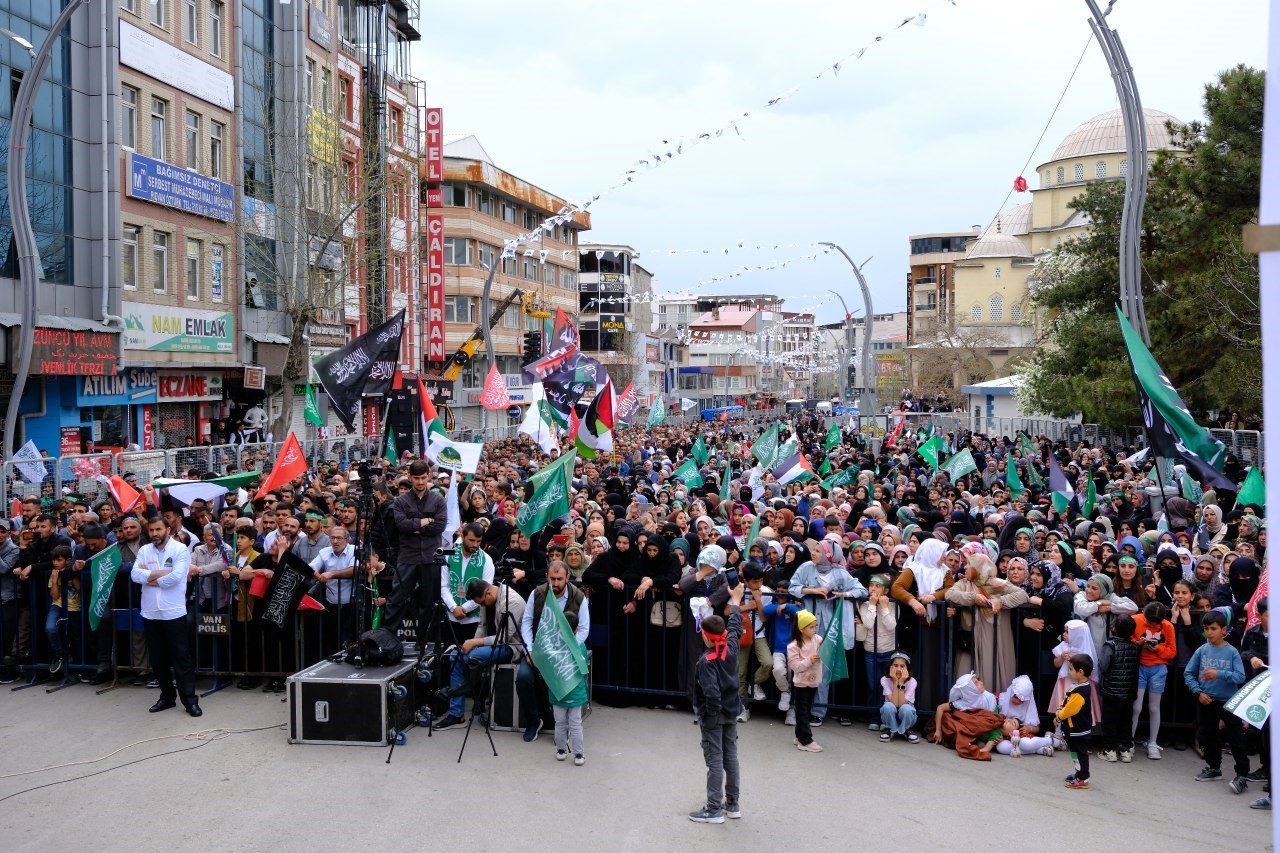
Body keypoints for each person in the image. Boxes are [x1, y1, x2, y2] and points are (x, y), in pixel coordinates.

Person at [435, 577, 527, 731]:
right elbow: (482, 626)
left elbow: (504, 638)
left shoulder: (512, 601)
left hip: (511, 647)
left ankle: (467, 689)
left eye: (482, 603)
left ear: (489, 593)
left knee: (473, 657)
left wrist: (475, 643)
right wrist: (471, 642)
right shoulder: (486, 598)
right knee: (456, 656)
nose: (481, 606)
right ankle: (457, 715)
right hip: (493, 644)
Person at [130, 516, 200, 717]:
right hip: (150, 612)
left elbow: (176, 578)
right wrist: (160, 573)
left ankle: (190, 701)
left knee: (181, 658)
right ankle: (167, 697)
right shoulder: (144, 550)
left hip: (174, 612)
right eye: (151, 530)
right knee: (158, 659)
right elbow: (135, 575)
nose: (154, 534)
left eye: (158, 529)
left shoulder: (179, 549)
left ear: (167, 529)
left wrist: (150, 576)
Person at [689, 579, 745, 824]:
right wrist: (735, 601)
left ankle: (713, 809)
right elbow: (734, 624)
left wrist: (709, 717)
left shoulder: (707, 661)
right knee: (730, 757)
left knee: (714, 760)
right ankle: (732, 804)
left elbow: (711, 694)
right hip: (732, 710)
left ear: (707, 637)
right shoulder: (731, 646)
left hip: (715, 714)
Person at [519, 561, 589, 743]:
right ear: (547, 577)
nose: (556, 583)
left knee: (564, 682)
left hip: (565, 653)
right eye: (552, 579)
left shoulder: (579, 597)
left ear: (567, 578)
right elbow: (526, 622)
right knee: (524, 678)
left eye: (559, 579)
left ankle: (563, 727)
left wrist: (566, 650)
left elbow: (583, 629)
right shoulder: (537, 593)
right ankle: (534, 721)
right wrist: (529, 649)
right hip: (538, 651)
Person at [1185, 609, 1251, 794]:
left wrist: (1219, 673)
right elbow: (1188, 673)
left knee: (1236, 737)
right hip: (1207, 700)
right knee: (1208, 735)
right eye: (1206, 628)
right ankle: (1214, 767)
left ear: (1224, 629)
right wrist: (1198, 692)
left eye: (1213, 628)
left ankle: (1242, 775)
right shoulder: (1202, 650)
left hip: (1229, 701)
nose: (1209, 632)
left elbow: (1240, 676)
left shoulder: (1232, 652)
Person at [384, 460, 447, 632]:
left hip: (430, 557)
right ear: (410, 477)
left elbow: (439, 526)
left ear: (429, 477)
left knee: (428, 601)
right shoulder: (401, 501)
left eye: (423, 478)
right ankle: (388, 636)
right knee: (397, 598)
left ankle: (425, 639)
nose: (420, 482)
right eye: (416, 478)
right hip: (407, 557)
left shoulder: (438, 500)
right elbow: (401, 526)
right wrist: (425, 521)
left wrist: (414, 527)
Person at [1131, 601, 1177, 760]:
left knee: (1154, 707)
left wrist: (1158, 649)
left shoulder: (1168, 626)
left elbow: (1172, 652)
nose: (1152, 625)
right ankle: (1129, 742)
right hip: (1139, 666)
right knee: (1136, 706)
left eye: (1156, 623)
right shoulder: (1136, 620)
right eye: (1149, 621)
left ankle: (1152, 743)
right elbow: (1128, 640)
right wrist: (1138, 644)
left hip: (1158, 668)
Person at [1097, 614, 1140, 763]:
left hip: (1111, 691)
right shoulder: (1135, 647)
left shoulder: (1110, 645)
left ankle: (1110, 750)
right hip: (1128, 692)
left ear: (1114, 628)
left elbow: (1103, 666)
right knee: (1126, 722)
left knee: (1109, 722)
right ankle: (1126, 750)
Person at [1240, 600, 1270, 810]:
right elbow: (1243, 652)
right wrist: (1252, 657)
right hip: (1261, 690)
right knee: (1266, 736)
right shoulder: (1253, 633)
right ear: (1259, 615)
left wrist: (1264, 658)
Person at [551, 610, 589, 766]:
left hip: (559, 692)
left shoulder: (554, 647)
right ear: (576, 629)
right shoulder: (580, 647)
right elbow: (583, 667)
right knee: (576, 723)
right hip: (576, 692)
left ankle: (561, 750)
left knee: (559, 723)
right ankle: (579, 754)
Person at [787, 609, 824, 753]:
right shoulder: (793, 646)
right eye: (811, 627)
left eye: (815, 626)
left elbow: (827, 646)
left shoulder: (818, 640)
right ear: (802, 629)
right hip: (801, 683)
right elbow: (796, 667)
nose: (814, 629)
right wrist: (810, 660)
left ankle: (799, 734)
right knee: (802, 710)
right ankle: (806, 740)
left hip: (814, 682)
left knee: (807, 709)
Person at [1056, 653, 1094, 789]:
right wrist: (1060, 709)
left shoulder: (1081, 690)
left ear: (1081, 672)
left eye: (1071, 669)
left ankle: (1083, 777)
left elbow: (1071, 709)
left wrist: (1059, 717)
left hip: (1078, 729)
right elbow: (1066, 701)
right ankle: (1079, 772)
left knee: (1080, 752)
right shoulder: (1076, 685)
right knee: (1074, 751)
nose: (1068, 671)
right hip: (1072, 729)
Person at [879, 651, 918, 743]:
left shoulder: (912, 682)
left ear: (907, 668)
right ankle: (891, 729)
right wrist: (896, 681)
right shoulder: (884, 680)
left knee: (906, 708)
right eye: (895, 665)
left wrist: (901, 682)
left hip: (905, 715)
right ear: (890, 667)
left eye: (902, 666)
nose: (898, 669)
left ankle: (905, 729)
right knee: (888, 706)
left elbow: (901, 704)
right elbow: (894, 703)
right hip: (892, 712)